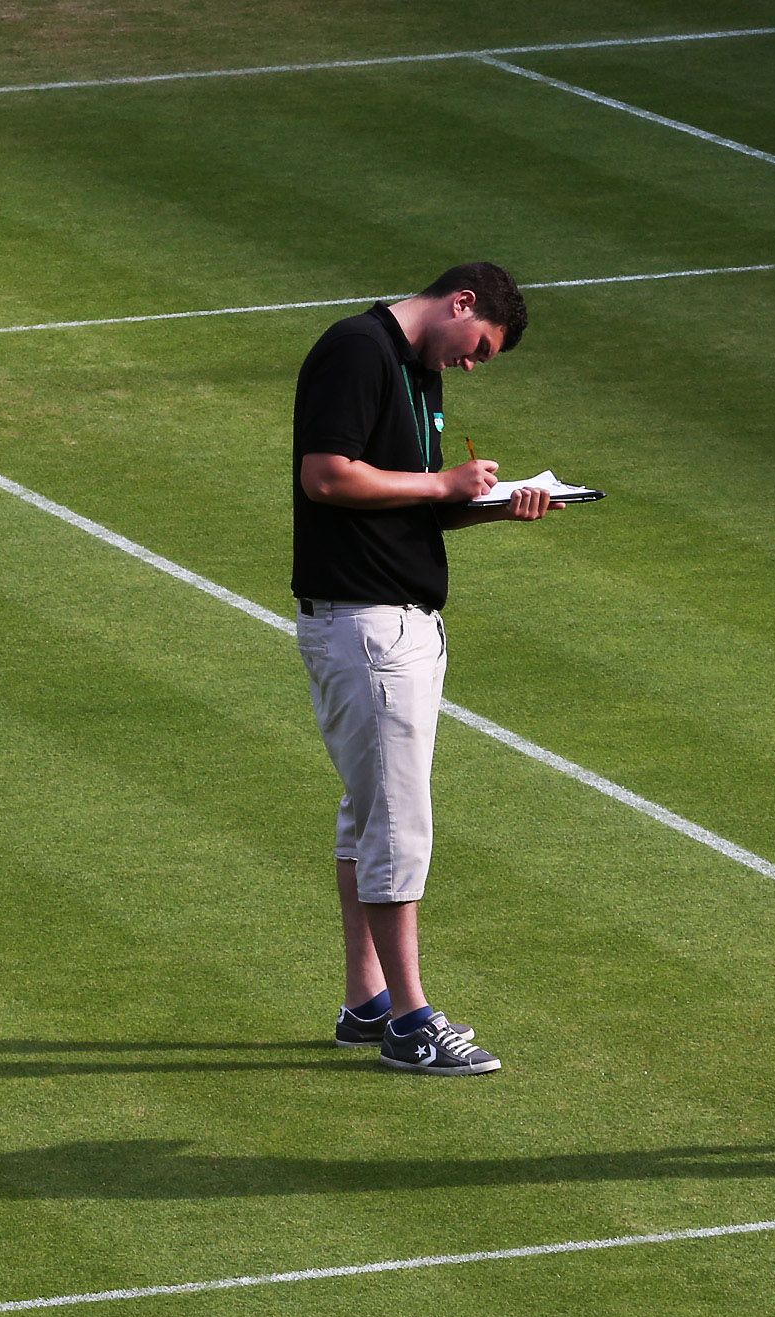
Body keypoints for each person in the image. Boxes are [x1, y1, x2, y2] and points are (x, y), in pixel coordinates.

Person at [291, 261, 555, 1076]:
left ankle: (366, 1002)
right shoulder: (357, 351)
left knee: (368, 817)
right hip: (369, 627)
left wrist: (482, 501)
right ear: (459, 302)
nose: (470, 365)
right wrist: (442, 481)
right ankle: (411, 1021)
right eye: (477, 347)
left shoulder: (413, 369)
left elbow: (401, 498)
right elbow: (328, 475)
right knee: (398, 825)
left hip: (394, 621)